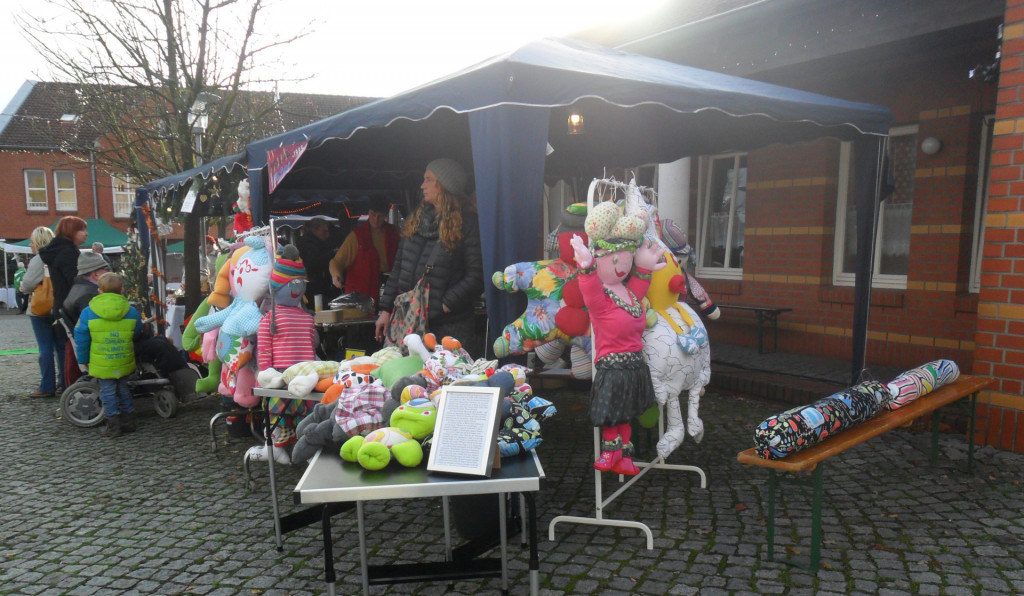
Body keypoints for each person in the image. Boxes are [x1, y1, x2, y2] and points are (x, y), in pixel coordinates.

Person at [63, 251, 199, 403]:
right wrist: (142, 330)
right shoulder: (89, 296)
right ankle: (182, 384)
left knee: (160, 342)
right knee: (161, 345)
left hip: (104, 345)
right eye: (106, 270)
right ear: (95, 274)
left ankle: (177, 378)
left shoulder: (79, 291)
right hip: (112, 347)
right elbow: (113, 329)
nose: (110, 272)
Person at [375, 159, 484, 350]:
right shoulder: (415, 221)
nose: (422, 185)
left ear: (443, 185)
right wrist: (385, 310)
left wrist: (444, 304)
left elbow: (477, 275)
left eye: (428, 179)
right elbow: (399, 267)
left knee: (444, 378)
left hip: (450, 328)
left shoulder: (467, 224)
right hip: (409, 323)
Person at [74, 272, 143, 438]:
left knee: (107, 391)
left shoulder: (88, 312)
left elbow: (81, 339)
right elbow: (137, 332)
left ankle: (113, 425)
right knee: (124, 387)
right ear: (122, 290)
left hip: (102, 360)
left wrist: (83, 360)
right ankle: (129, 421)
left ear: (99, 291)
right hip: (124, 357)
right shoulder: (131, 311)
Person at [39, 216, 88, 388]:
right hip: (71, 306)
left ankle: (69, 385)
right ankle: (74, 387)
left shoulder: (56, 251)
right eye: (82, 230)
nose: (85, 234)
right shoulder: (68, 252)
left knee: (69, 348)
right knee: (75, 350)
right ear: (71, 232)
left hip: (62, 304)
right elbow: (74, 282)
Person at [329, 195, 399, 305]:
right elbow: (336, 262)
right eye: (373, 215)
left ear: (386, 216)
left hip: (388, 293)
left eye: (380, 216)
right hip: (360, 298)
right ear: (368, 212)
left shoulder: (394, 233)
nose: (376, 220)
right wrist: (336, 275)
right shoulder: (357, 236)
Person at [19, 226, 61, 398]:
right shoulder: (60, 256)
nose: (30, 244)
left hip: (41, 309)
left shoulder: (39, 259)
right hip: (58, 307)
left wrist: (23, 287)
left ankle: (47, 385)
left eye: (31, 241)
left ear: (38, 242)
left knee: (45, 348)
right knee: (61, 347)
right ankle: (65, 381)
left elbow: (28, 285)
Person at [296, 217, 340, 307]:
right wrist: (331, 253)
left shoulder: (318, 243)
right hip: (313, 288)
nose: (327, 235)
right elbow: (314, 263)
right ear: (315, 230)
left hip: (318, 286)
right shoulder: (308, 245)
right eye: (324, 231)